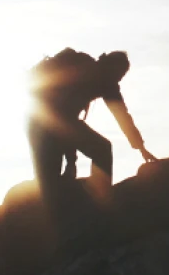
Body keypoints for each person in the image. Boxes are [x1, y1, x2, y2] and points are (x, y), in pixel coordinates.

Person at [28, 48, 156, 202]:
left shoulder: (105, 82)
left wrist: (140, 146)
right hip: (42, 122)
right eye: (119, 75)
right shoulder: (85, 71)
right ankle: (99, 199)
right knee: (53, 178)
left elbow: (122, 116)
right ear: (110, 66)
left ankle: (98, 197)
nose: (118, 80)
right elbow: (62, 117)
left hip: (43, 122)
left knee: (100, 150)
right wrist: (71, 160)